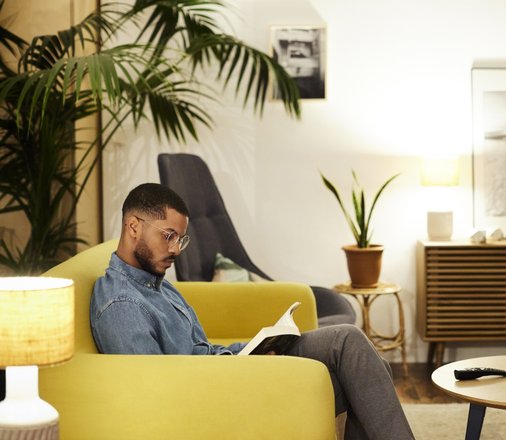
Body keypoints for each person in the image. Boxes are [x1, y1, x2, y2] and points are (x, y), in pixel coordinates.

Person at [90, 183, 415, 440]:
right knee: (363, 375)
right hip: (225, 397)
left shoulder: (154, 281)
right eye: (168, 236)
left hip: (232, 371)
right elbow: (157, 396)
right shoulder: (122, 305)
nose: (176, 249)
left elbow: (200, 352)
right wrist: (250, 370)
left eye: (180, 239)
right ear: (133, 226)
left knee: (351, 347)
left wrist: (254, 348)